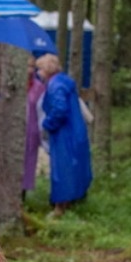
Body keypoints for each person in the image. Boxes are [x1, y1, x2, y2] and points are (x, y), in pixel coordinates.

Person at [35, 53, 92, 212]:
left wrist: (47, 123)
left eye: (39, 69)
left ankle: (60, 206)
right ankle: (73, 201)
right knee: (75, 168)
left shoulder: (56, 85)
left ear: (46, 70)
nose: (38, 73)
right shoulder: (65, 82)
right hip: (75, 131)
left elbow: (60, 109)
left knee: (62, 169)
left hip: (64, 134)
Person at [24, 58, 46, 196]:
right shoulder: (13, 85)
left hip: (31, 130)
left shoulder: (39, 87)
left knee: (28, 163)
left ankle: (23, 195)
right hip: (15, 130)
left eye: (33, 66)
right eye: (28, 66)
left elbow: (42, 110)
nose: (30, 70)